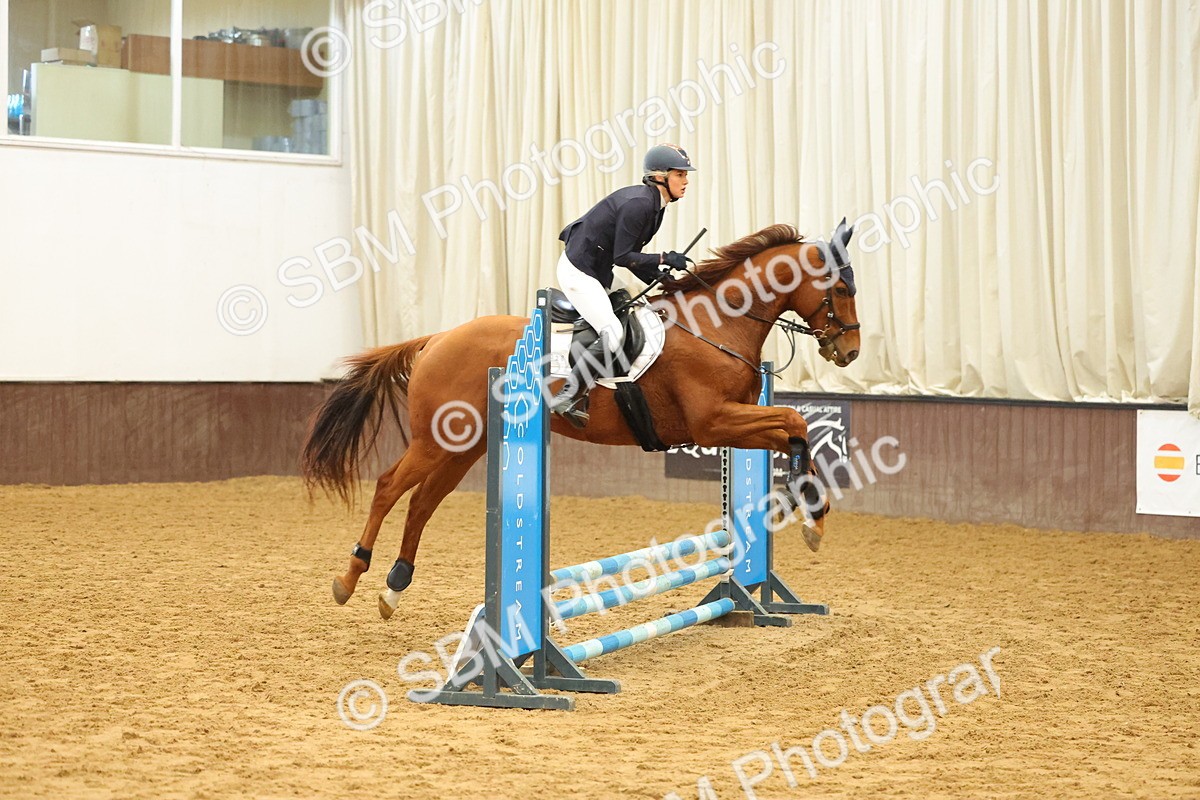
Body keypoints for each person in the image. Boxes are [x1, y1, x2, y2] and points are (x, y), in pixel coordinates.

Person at [550, 144, 697, 427]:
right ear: (660, 177)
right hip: (579, 271)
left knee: (636, 309)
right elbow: (623, 257)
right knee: (613, 331)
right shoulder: (640, 204)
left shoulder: (656, 205)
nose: (686, 180)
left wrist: (666, 281)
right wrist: (665, 257)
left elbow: (631, 261)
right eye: (680, 174)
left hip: (599, 270)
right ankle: (568, 394)